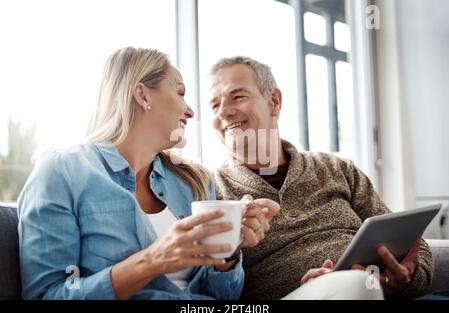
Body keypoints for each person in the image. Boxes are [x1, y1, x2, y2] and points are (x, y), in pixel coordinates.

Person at [17, 48, 279, 300]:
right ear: (143, 96)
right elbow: (47, 294)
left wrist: (229, 247)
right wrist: (154, 260)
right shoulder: (63, 171)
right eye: (180, 92)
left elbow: (222, 298)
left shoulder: (193, 182)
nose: (190, 111)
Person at [208, 56, 433, 300]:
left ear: (274, 101)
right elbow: (208, 287)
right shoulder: (210, 190)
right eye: (214, 105)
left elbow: (410, 242)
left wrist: (405, 278)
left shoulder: (338, 168)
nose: (224, 112)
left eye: (237, 97)